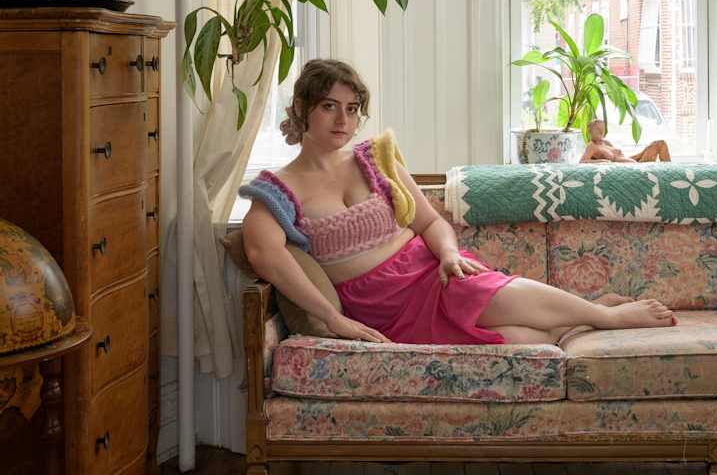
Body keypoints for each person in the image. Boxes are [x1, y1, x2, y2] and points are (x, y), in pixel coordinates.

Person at [241, 59, 677, 345]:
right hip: (380, 306)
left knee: (497, 299)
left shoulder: (375, 158)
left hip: (434, 273)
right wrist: (332, 319)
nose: (344, 120)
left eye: (353, 109)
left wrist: (449, 254)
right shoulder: (278, 188)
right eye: (329, 107)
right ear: (302, 108)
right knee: (533, 341)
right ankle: (594, 310)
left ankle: (606, 318)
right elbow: (264, 253)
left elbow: (431, 224)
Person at [580, 119, 671, 164]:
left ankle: (670, 171)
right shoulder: (592, 146)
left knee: (659, 143)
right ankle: (671, 176)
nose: (600, 132)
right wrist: (602, 161)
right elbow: (582, 161)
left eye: (601, 130)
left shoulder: (606, 143)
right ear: (590, 131)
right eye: (597, 130)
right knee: (657, 148)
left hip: (631, 159)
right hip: (634, 166)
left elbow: (620, 155)